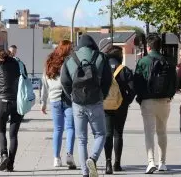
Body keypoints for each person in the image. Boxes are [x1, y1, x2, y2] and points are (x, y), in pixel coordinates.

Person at [61, 34, 112, 177]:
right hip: (96, 101)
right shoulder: (101, 57)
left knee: (82, 139)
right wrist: (103, 95)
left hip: (77, 103)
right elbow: (108, 80)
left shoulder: (70, 59)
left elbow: (64, 81)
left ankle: (85, 172)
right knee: (101, 134)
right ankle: (93, 158)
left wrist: (71, 96)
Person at [134, 34, 177, 174]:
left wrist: (140, 98)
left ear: (148, 47)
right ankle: (162, 163)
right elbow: (175, 83)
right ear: (160, 46)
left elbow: (137, 82)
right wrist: (169, 96)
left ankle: (151, 161)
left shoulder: (143, 61)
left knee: (149, 132)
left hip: (147, 101)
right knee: (162, 131)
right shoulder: (169, 62)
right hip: (164, 101)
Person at [41, 40, 76, 169]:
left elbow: (44, 82)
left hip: (54, 99)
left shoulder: (49, 62)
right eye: (71, 48)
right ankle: (69, 155)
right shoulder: (70, 62)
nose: (72, 50)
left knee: (58, 129)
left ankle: (56, 158)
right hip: (68, 98)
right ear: (66, 49)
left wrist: (43, 101)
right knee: (71, 127)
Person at [103, 46, 135, 174]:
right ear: (119, 57)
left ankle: (108, 163)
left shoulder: (103, 70)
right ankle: (117, 164)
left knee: (108, 133)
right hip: (121, 106)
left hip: (105, 106)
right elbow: (132, 89)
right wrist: (126, 101)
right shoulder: (124, 70)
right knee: (118, 133)